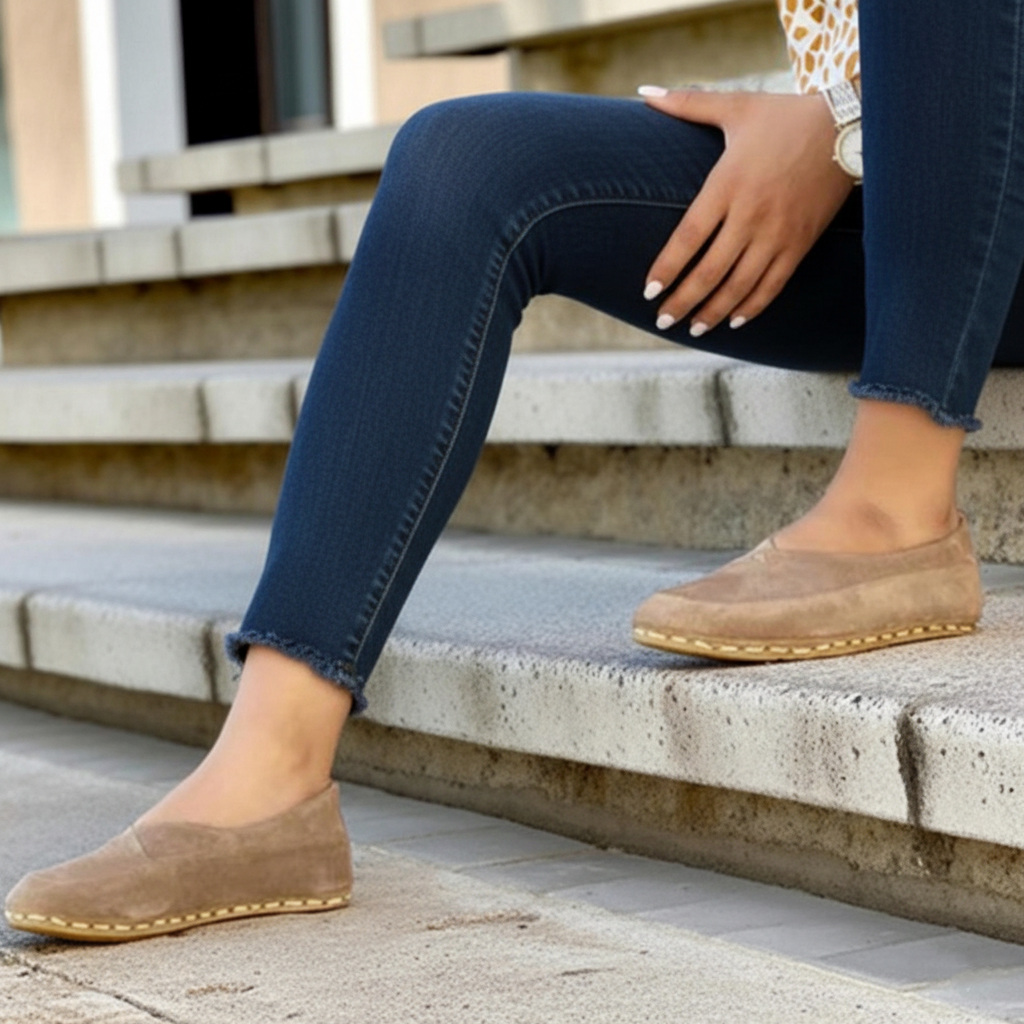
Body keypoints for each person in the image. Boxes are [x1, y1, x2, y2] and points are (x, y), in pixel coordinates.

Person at [7, 0, 1024, 941]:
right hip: (912, 189)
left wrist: (840, 124)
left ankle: (897, 507)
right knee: (463, 159)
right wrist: (839, 122)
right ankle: (264, 779)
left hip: (956, 185)